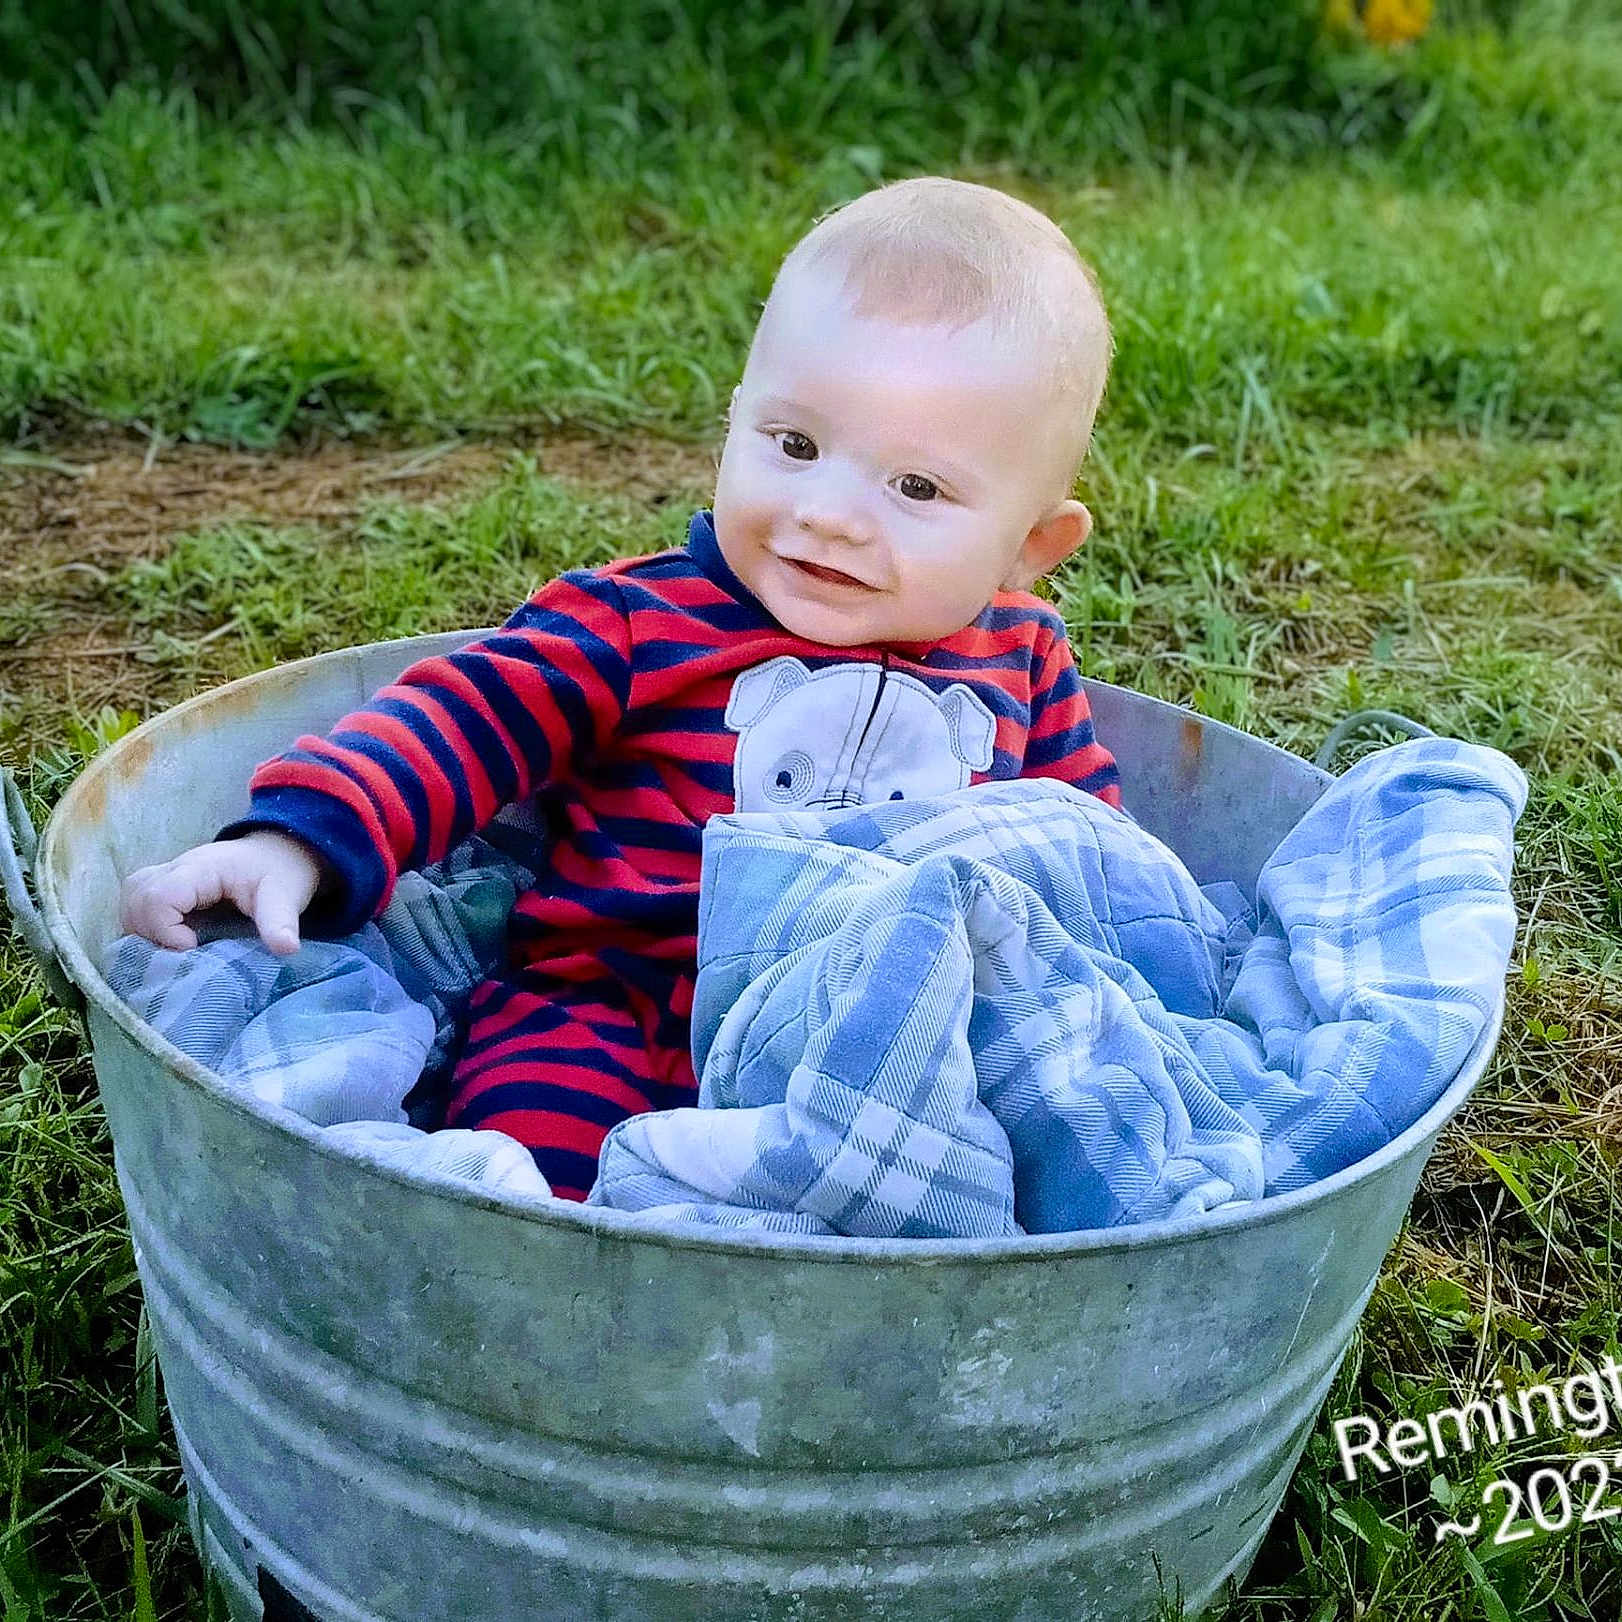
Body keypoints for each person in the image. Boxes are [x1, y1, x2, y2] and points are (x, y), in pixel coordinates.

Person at [119, 176, 1123, 1200]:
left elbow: (1088, 866)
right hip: (606, 1000)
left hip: (866, 1044)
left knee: (959, 1191)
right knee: (523, 1200)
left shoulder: (1021, 665)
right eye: (795, 444)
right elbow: (457, 723)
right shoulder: (640, 622)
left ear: (1030, 545)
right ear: (734, 422)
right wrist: (298, 839)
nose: (826, 513)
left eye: (914, 487)